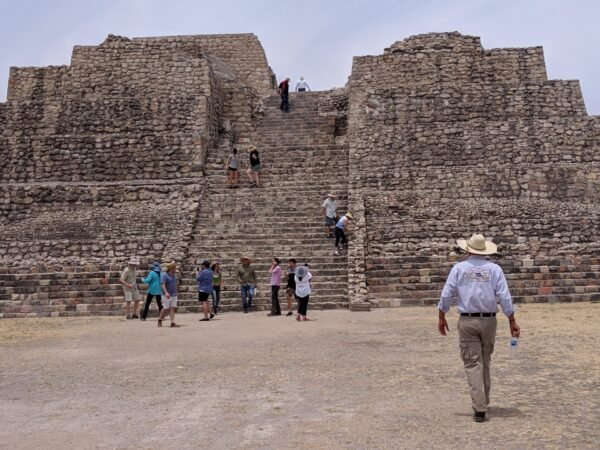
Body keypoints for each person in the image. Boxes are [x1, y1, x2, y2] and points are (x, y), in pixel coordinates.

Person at [437, 233, 521, 423]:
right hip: (490, 321)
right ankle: (484, 400)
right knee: (485, 360)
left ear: (468, 249)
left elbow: (447, 293)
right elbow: (504, 296)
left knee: (473, 362)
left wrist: (442, 316)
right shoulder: (494, 269)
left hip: (467, 320)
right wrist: (511, 320)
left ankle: (480, 407)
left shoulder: (459, 269)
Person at [158, 261, 180, 328]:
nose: (175, 269)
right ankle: (160, 320)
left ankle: (172, 322)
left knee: (172, 308)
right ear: (171, 268)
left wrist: (176, 292)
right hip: (166, 294)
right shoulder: (164, 275)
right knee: (165, 308)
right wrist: (166, 292)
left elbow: (175, 284)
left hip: (173, 294)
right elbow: (163, 284)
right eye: (174, 267)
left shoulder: (173, 275)